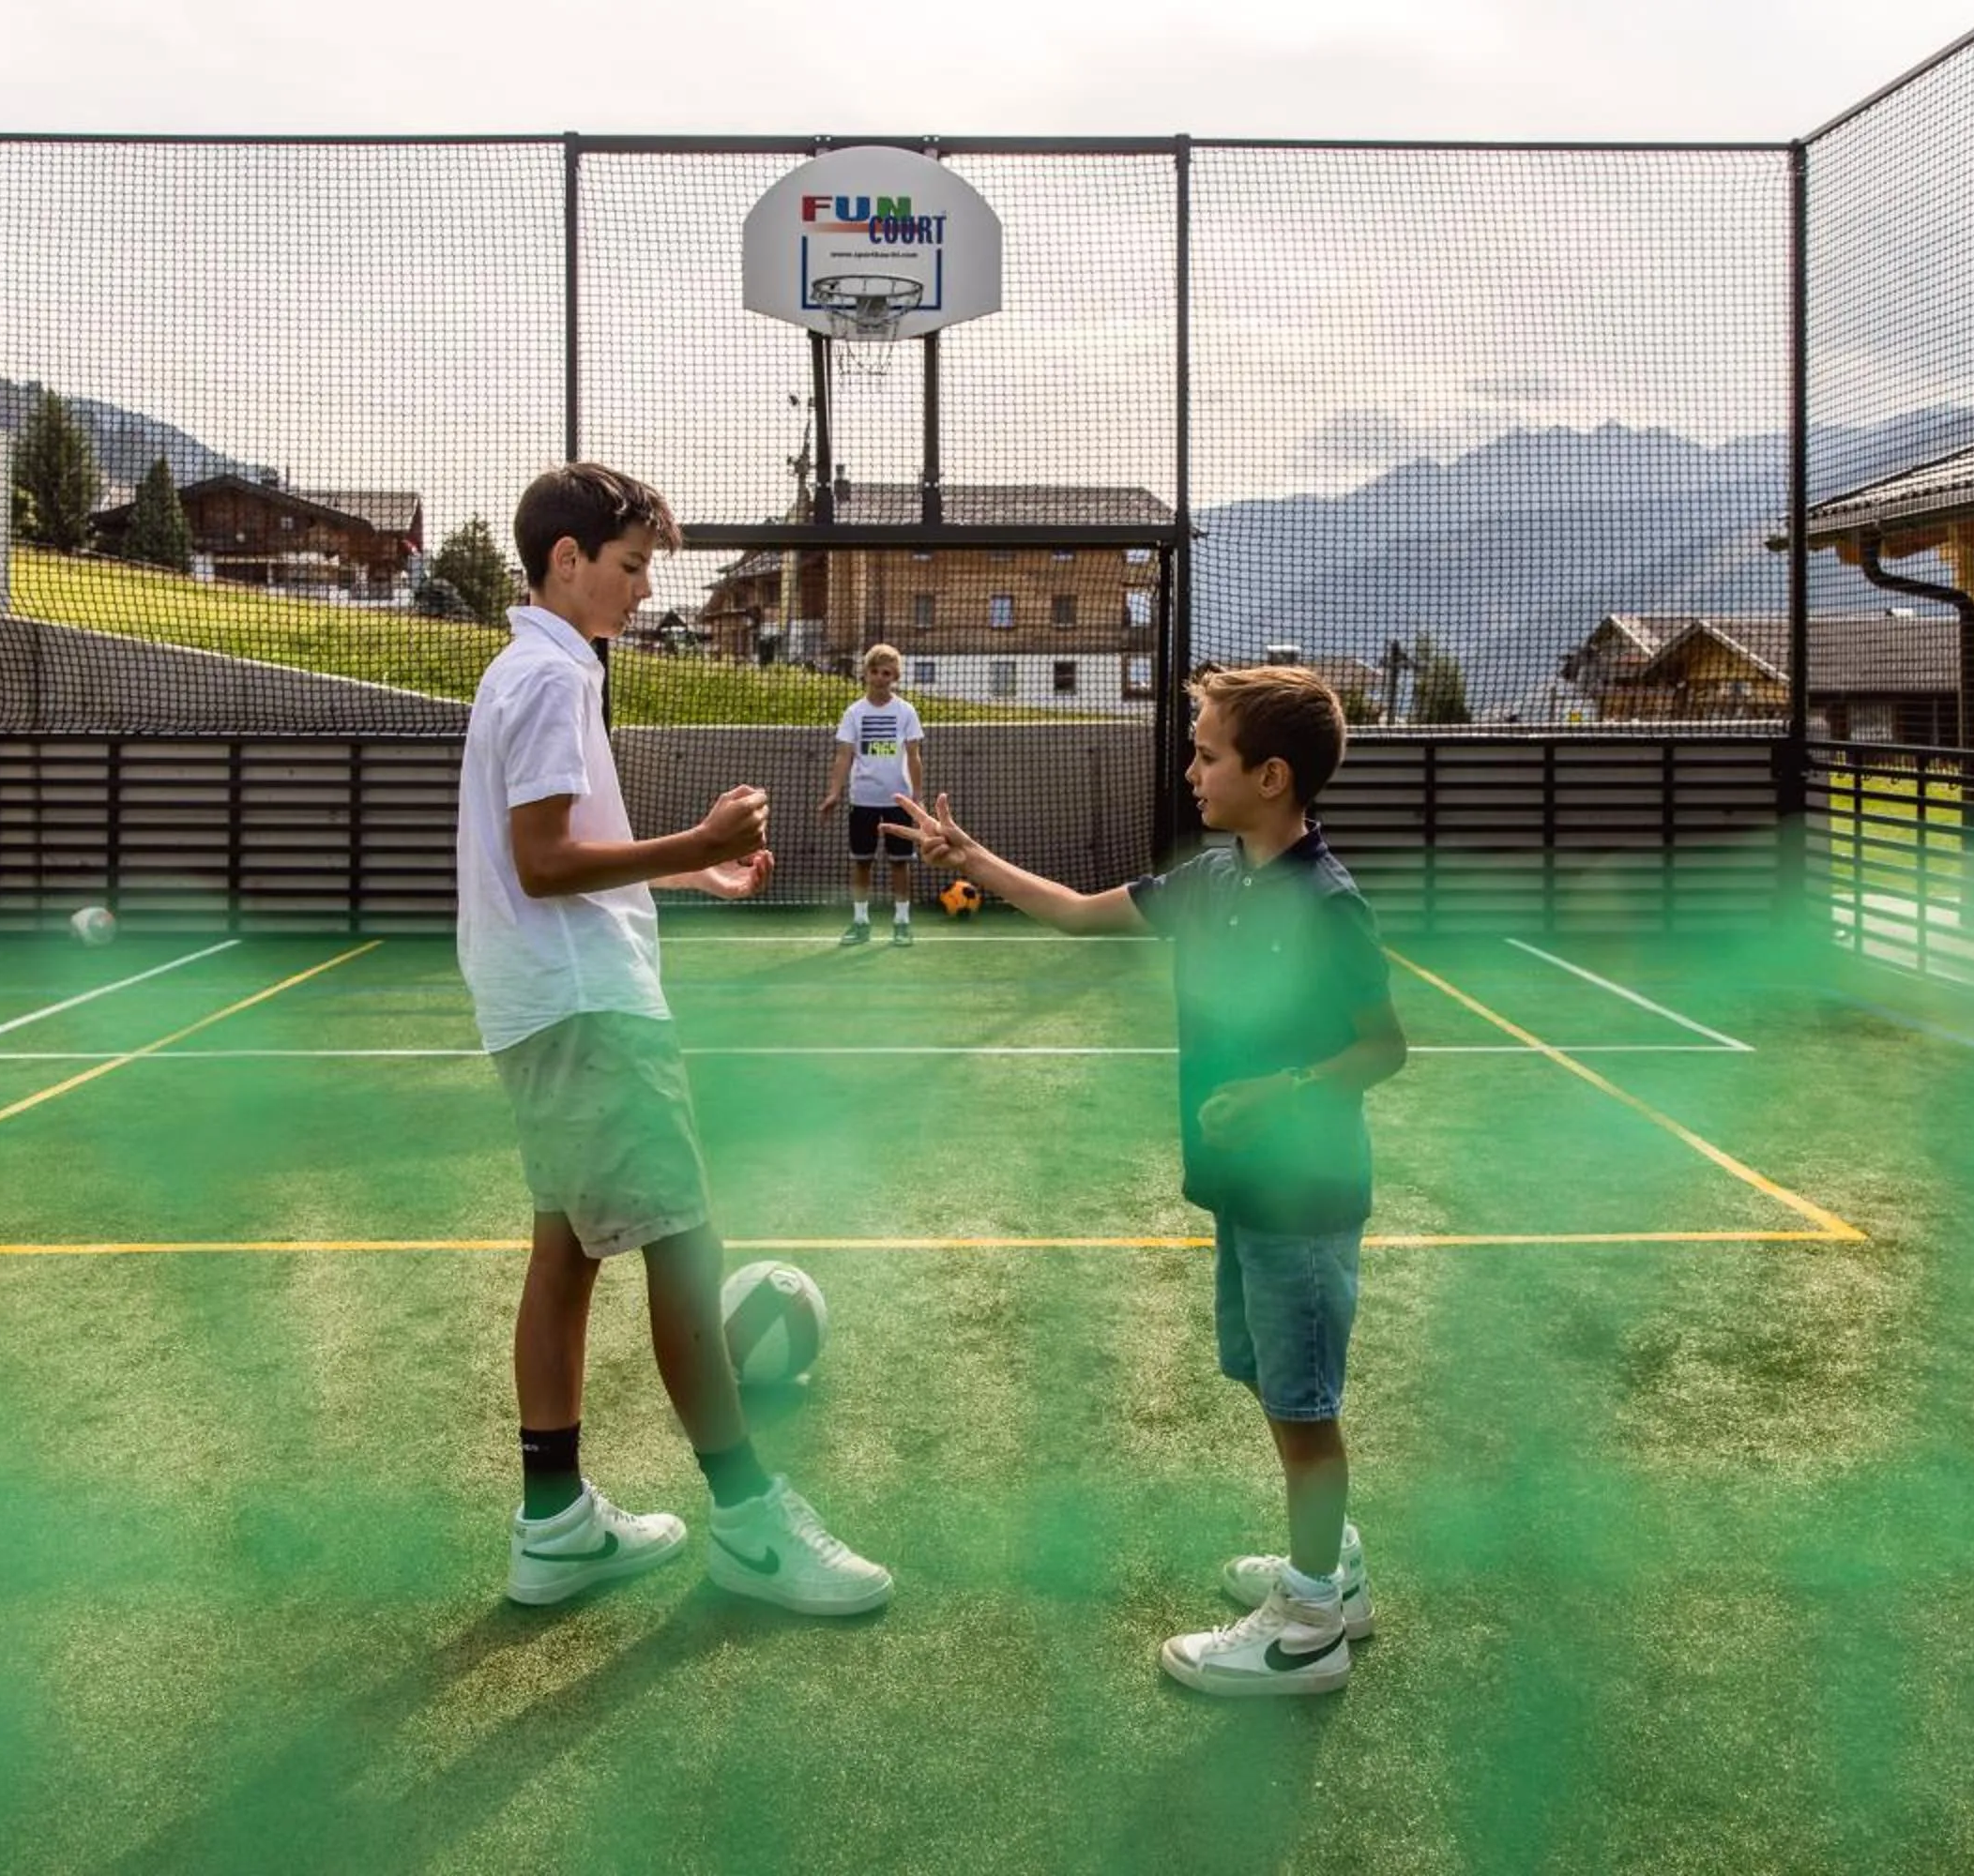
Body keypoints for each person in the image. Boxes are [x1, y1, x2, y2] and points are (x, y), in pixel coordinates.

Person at [892, 663, 1405, 1695]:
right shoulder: (1215, 881)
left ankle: (1310, 1623)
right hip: (1242, 1190)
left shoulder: (1326, 905)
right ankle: (1332, 1562)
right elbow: (1082, 913)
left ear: (1271, 776)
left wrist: (1282, 1093)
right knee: (1271, 1380)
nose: (1190, 771)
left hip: (1303, 1197)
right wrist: (973, 859)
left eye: (1207, 755)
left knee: (1305, 1408)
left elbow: (1381, 1047)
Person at [460, 461, 893, 1617]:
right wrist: (695, 839)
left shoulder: (536, 668)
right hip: (587, 1007)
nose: (645, 589)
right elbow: (543, 862)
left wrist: (692, 870)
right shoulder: (551, 675)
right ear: (566, 561)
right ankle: (750, 1523)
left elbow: (555, 855)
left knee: (566, 1250)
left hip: (544, 1001)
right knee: (686, 1249)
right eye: (632, 565)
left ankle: (555, 1523)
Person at [818, 643, 927, 946]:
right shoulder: (854, 713)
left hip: (899, 801)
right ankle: (860, 922)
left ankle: (902, 923)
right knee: (862, 861)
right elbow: (843, 756)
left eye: (886, 673)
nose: (880, 678)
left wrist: (918, 798)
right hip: (863, 800)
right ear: (865, 673)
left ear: (895, 677)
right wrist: (834, 793)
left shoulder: (906, 711)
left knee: (900, 862)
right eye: (875, 671)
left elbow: (914, 756)